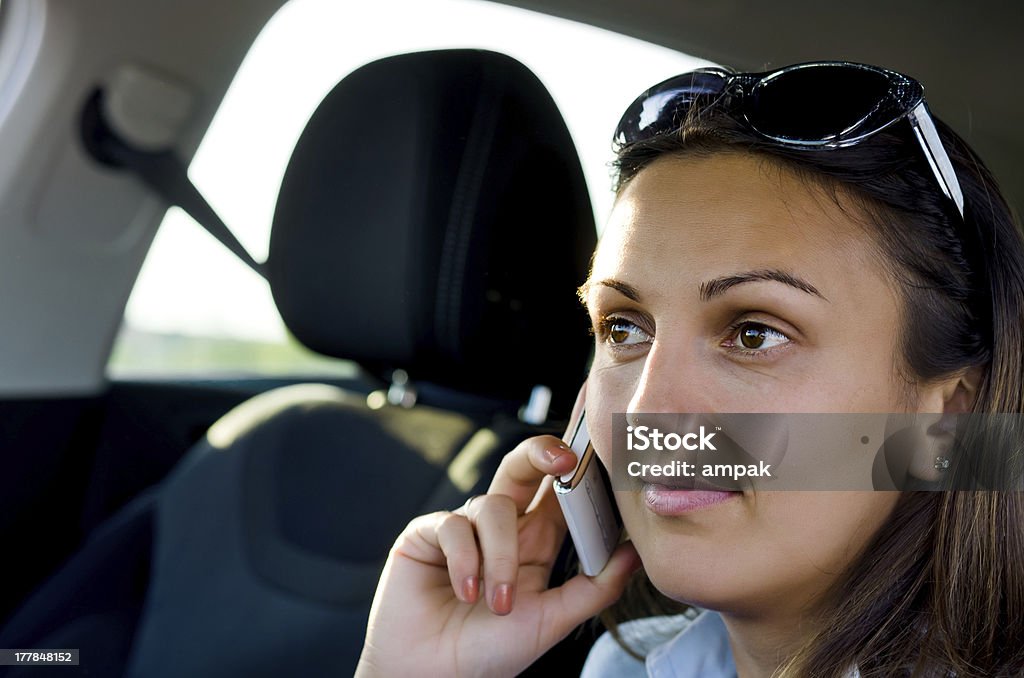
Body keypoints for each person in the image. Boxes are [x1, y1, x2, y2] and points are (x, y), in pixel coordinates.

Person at [355, 62, 1024, 677]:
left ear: (949, 419)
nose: (648, 410)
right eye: (623, 328)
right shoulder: (625, 668)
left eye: (755, 333)